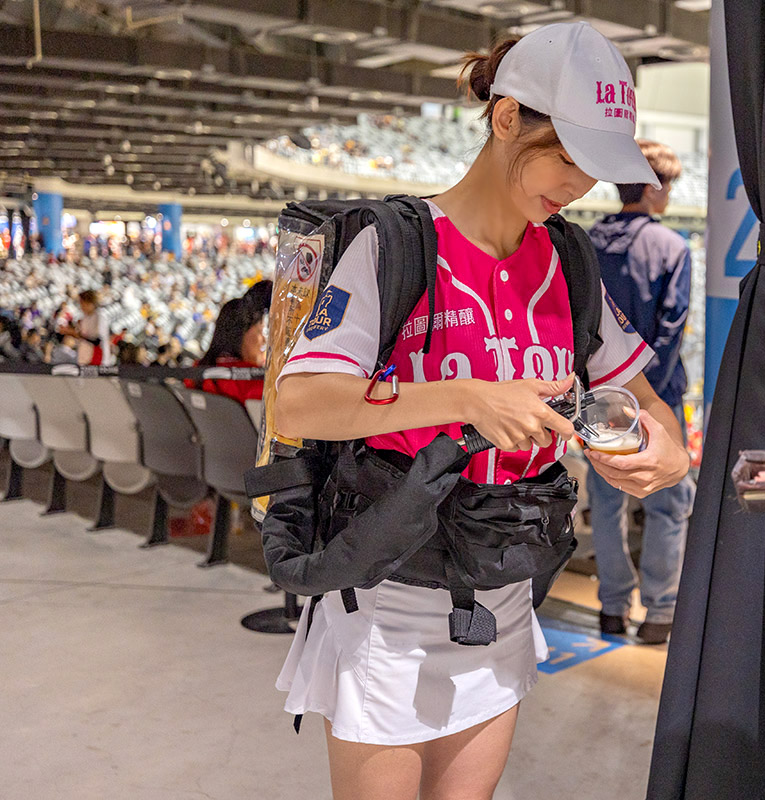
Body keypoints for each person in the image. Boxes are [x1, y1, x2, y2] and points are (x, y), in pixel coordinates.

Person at [271, 23, 691, 800]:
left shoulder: (569, 261)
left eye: (595, 169)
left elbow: (649, 404)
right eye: (566, 158)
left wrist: (665, 452)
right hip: (388, 598)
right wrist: (464, 398)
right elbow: (301, 399)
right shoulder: (396, 244)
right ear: (506, 120)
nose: (579, 187)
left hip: (503, 591)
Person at [586, 140, 695, 644]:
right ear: (655, 188)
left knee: (606, 498)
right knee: (667, 504)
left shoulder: (586, 242)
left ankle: (611, 608)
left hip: (598, 396)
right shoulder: (671, 247)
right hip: (657, 394)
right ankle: (659, 612)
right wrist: (647, 393)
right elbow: (670, 332)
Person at [192, 294, 266, 404]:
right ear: (241, 334)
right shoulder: (254, 382)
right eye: (260, 331)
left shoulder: (195, 372)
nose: (264, 340)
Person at [59, 289, 111, 366]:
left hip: (97, 360)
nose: (81, 307)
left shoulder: (100, 316)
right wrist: (70, 332)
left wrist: (74, 333)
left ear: (89, 303)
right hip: (84, 359)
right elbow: (82, 337)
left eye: (82, 303)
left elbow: (97, 341)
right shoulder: (85, 318)